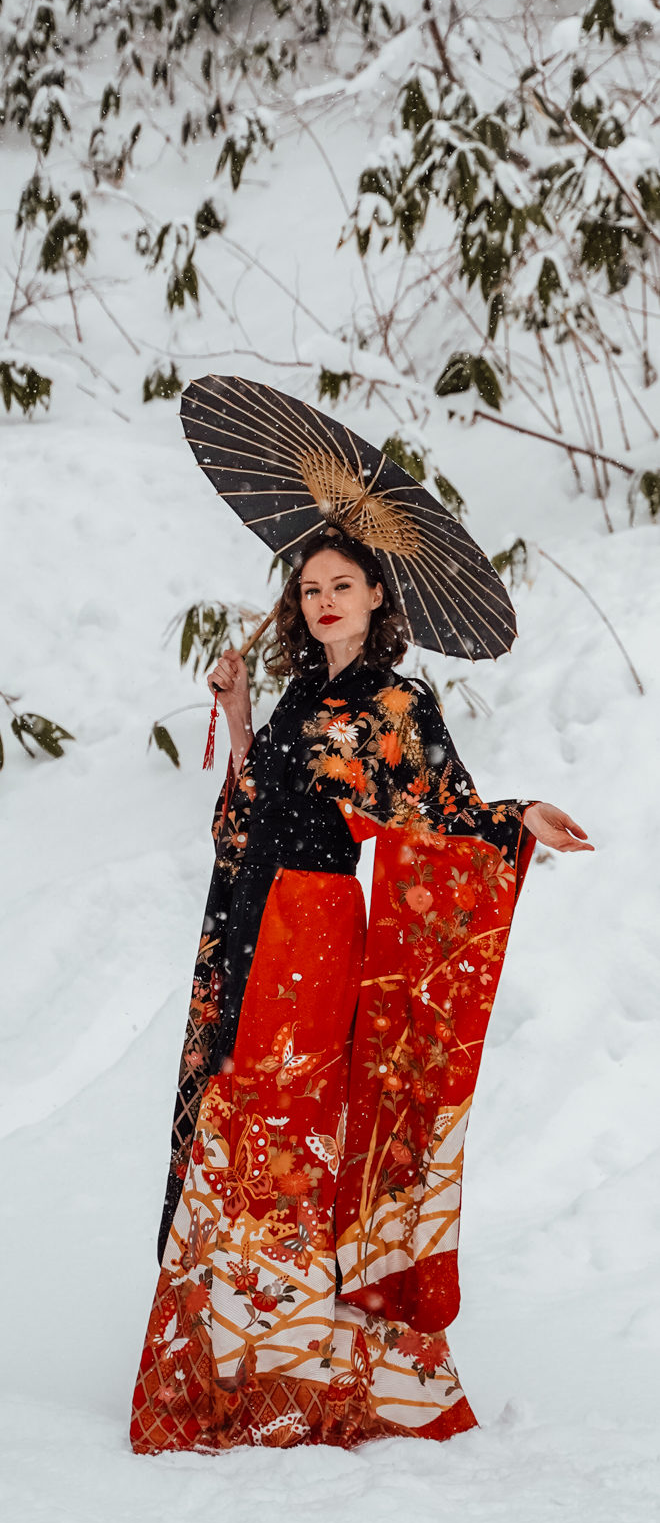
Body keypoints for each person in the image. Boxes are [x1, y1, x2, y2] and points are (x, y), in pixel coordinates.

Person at [130, 525, 592, 1454]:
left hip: (321, 930)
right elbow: (245, 825)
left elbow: (444, 814)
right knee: (245, 1128)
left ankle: (319, 1374)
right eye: (309, 588)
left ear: (379, 596)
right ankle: (237, 1365)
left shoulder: (395, 702)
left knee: (299, 1134)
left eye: (344, 583)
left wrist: (518, 817)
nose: (325, 599)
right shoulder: (300, 692)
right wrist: (241, 713)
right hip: (253, 928)